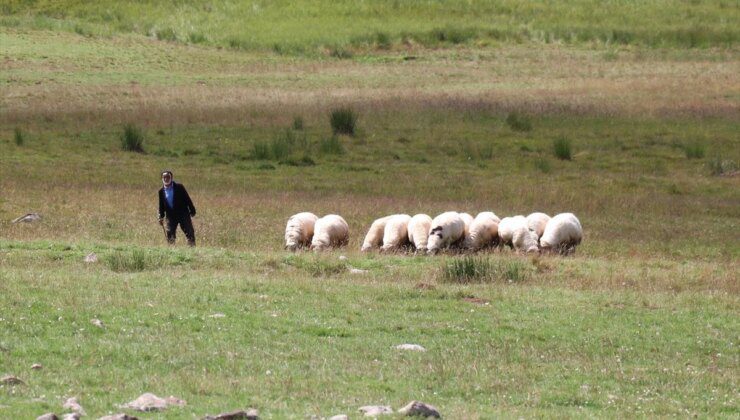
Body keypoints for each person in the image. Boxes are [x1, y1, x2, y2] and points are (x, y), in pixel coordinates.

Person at [158, 170, 197, 246]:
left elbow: (187, 199)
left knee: (189, 232)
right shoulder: (161, 191)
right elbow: (161, 205)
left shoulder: (179, 187)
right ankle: (172, 251)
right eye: (164, 177)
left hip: (183, 214)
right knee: (170, 233)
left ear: (171, 178)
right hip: (170, 216)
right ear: (162, 178)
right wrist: (161, 216)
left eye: (168, 177)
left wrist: (192, 210)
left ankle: (192, 250)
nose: (166, 179)